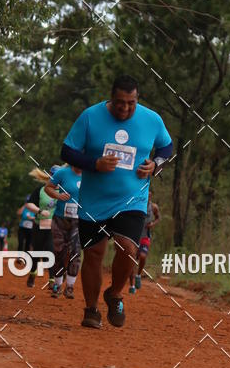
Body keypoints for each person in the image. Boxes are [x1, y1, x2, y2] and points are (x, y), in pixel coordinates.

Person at [61, 74, 172, 329]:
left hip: (132, 199)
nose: (125, 108)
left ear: (137, 99)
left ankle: (115, 293)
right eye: (120, 102)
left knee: (128, 248)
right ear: (111, 98)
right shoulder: (90, 116)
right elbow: (67, 150)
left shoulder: (152, 120)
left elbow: (166, 148)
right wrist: (94, 164)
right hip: (93, 201)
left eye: (130, 103)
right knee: (94, 254)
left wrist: (156, 165)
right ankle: (91, 310)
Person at [45, 164, 82, 299]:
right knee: (59, 252)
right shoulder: (62, 173)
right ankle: (57, 285)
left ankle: (70, 287)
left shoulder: (90, 175)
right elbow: (48, 187)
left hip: (79, 221)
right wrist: (57, 196)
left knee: (75, 252)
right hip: (60, 219)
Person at [25, 168, 57, 288]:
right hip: (40, 225)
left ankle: (52, 280)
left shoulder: (64, 192)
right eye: (53, 176)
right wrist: (39, 211)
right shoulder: (40, 190)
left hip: (55, 227)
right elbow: (29, 204)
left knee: (51, 251)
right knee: (37, 251)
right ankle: (33, 274)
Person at [130, 197, 160, 292]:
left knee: (143, 256)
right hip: (134, 236)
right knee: (132, 261)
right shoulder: (135, 204)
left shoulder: (153, 207)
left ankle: (138, 275)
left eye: (149, 196)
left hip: (145, 237)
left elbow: (158, 218)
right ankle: (132, 286)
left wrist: (152, 224)